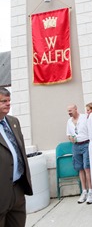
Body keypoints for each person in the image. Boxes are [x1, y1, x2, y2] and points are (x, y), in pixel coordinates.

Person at [0, 87, 33, 227]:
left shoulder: (13, 122)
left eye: (9, 100)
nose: (8, 104)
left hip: (17, 188)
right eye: (3, 101)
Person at [66, 104, 92, 204]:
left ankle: (91, 191)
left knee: (87, 168)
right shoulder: (69, 122)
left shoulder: (84, 117)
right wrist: (71, 138)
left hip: (86, 144)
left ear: (76, 109)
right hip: (76, 146)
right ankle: (84, 191)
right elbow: (68, 134)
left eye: (70, 110)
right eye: (68, 111)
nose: (69, 112)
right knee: (80, 168)